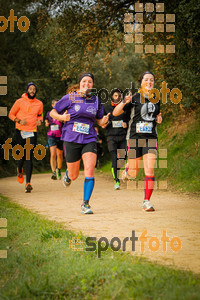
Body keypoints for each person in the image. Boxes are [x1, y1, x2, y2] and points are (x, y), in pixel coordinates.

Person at [50, 72, 110, 214]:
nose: (87, 84)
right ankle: (68, 174)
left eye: (90, 82)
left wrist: (104, 121)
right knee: (74, 175)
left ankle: (85, 203)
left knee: (89, 170)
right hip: (71, 138)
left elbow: (99, 120)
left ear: (92, 85)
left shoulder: (96, 101)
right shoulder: (70, 98)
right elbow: (52, 112)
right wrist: (61, 116)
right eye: (84, 81)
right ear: (80, 83)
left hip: (89, 138)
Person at [113, 71, 162, 211]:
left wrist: (159, 118)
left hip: (151, 138)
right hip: (134, 138)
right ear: (141, 82)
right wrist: (124, 102)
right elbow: (116, 113)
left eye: (151, 80)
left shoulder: (156, 98)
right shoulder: (134, 98)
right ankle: (128, 170)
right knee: (134, 171)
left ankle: (146, 201)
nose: (149, 82)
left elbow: (158, 113)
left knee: (150, 170)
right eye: (146, 79)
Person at [8, 82, 43, 193]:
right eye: (30, 89)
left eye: (34, 89)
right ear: (27, 90)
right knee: (21, 156)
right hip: (20, 131)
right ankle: (19, 169)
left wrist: (40, 121)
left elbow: (40, 115)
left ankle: (28, 183)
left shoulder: (39, 103)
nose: (32, 90)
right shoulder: (19, 102)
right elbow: (11, 114)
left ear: (36, 91)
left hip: (32, 131)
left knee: (29, 156)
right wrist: (19, 121)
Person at [103, 88, 128, 190]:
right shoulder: (107, 108)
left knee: (122, 158)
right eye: (116, 96)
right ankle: (116, 181)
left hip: (122, 136)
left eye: (120, 96)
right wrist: (106, 123)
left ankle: (123, 171)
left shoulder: (125, 108)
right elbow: (102, 122)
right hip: (111, 137)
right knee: (114, 159)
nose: (118, 98)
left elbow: (130, 120)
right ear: (112, 97)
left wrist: (126, 124)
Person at [45, 99, 63, 180]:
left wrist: (62, 120)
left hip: (61, 136)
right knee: (53, 154)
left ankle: (58, 170)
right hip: (51, 135)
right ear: (52, 105)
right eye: (55, 104)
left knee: (59, 154)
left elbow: (66, 122)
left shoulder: (62, 113)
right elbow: (46, 121)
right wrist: (46, 123)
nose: (57, 105)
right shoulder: (49, 113)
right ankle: (53, 172)